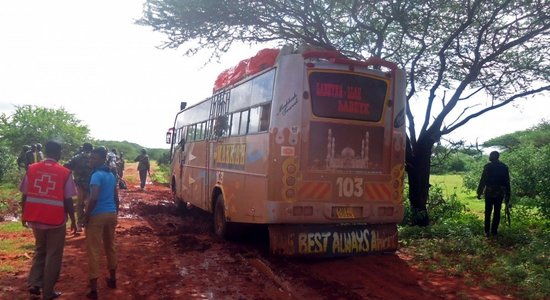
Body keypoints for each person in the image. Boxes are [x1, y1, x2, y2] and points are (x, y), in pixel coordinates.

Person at [20, 140, 77, 300]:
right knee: (53, 254)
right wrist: (73, 219)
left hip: (35, 217)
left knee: (40, 250)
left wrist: (24, 214)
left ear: (45, 151)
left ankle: (34, 283)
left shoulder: (32, 168)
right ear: (58, 153)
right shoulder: (64, 172)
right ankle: (48, 292)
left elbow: (24, 194)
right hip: (55, 220)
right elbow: (68, 200)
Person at [83, 146, 119, 299]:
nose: (91, 160)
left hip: (97, 215)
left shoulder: (96, 176)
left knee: (94, 250)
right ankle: (112, 279)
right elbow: (116, 198)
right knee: (110, 246)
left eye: (94, 158)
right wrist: (115, 212)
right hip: (111, 214)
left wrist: (86, 215)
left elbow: (94, 197)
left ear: (102, 159)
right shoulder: (111, 175)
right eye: (90, 158)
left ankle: (93, 290)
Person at [477, 151, 511, 237]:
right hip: (500, 193)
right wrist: (508, 195)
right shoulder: (504, 167)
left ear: (494, 157)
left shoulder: (488, 167)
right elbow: (507, 183)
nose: (489, 157)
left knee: (488, 212)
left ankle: (487, 231)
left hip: (490, 192)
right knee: (497, 212)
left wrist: (479, 192)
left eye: (490, 155)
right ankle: (494, 232)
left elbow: (483, 180)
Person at [64, 142, 94, 232]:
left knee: (81, 204)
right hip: (89, 184)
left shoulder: (77, 157)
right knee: (88, 203)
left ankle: (81, 223)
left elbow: (67, 166)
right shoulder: (93, 158)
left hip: (82, 184)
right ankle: (85, 222)